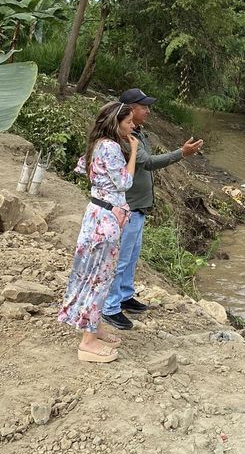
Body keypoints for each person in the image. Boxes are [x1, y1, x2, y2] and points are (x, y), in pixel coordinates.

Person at [102, 88, 203, 331]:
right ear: (129, 110)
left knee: (131, 256)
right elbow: (147, 162)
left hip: (138, 207)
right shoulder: (124, 137)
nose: (148, 111)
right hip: (127, 208)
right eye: (143, 106)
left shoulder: (138, 132)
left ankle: (125, 295)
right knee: (121, 259)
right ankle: (110, 307)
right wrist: (181, 153)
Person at [58, 102, 139, 363]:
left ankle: (93, 327)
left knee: (91, 274)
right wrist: (133, 152)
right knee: (99, 277)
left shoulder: (97, 144)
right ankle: (88, 342)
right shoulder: (111, 147)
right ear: (116, 123)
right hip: (105, 221)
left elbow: (84, 169)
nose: (132, 126)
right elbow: (125, 182)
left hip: (97, 214)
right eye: (128, 122)